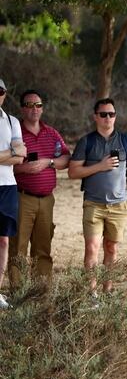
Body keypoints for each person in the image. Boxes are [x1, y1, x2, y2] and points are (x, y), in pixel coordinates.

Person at [68, 98, 127, 297]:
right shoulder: (87, 141)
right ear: (95, 117)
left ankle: (107, 292)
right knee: (92, 248)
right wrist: (99, 166)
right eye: (103, 114)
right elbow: (73, 172)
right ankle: (92, 295)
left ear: (115, 116)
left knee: (111, 248)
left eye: (111, 114)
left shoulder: (125, 140)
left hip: (119, 205)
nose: (108, 118)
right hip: (93, 204)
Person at [10, 90, 70, 288]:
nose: (34, 109)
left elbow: (66, 159)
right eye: (29, 105)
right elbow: (4, 164)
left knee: (43, 247)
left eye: (38, 105)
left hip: (47, 200)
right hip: (22, 198)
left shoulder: (51, 133)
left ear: (42, 108)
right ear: (22, 108)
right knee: (18, 247)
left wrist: (49, 162)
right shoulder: (14, 132)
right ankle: (18, 293)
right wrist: (23, 168)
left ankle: (41, 291)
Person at [0, 78, 26, 309]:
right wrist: (10, 152)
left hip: (7, 185)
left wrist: (10, 153)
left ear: (5, 94)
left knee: (4, 240)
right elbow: (14, 153)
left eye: (0, 91)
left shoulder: (12, 121)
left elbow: (21, 154)